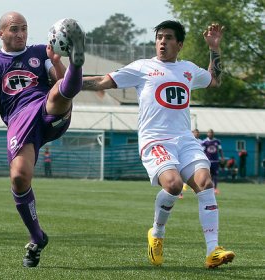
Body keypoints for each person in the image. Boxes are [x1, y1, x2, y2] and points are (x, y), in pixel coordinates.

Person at [82, 20, 235, 268]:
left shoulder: (188, 69)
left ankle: (212, 250)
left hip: (185, 139)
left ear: (180, 44)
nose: (162, 41)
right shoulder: (142, 67)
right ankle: (157, 233)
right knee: (174, 185)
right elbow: (102, 81)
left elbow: (215, 80)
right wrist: (65, 84)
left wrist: (214, 48)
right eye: (159, 37)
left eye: (168, 37)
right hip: (155, 140)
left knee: (205, 183)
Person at [0, 12, 85, 267]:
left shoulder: (39, 52)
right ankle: (37, 237)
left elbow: (60, 81)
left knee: (59, 91)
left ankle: (78, 61)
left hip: (46, 110)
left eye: (24, 29)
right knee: (19, 177)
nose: (20, 34)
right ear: (1, 33)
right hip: (19, 121)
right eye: (14, 29)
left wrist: (58, 61)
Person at [202, 129, 225, 194]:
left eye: (211, 133)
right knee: (208, 175)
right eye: (209, 132)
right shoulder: (204, 142)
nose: (210, 134)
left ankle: (215, 188)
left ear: (213, 134)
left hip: (215, 161)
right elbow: (202, 151)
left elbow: (220, 150)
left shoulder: (217, 141)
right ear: (207, 134)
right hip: (208, 161)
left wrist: (222, 157)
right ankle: (207, 188)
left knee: (215, 175)